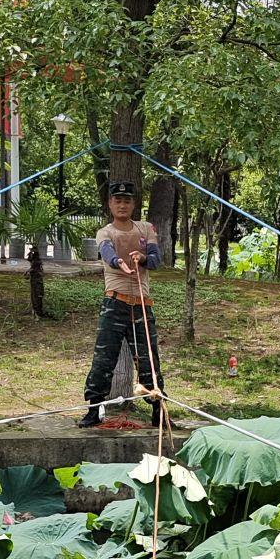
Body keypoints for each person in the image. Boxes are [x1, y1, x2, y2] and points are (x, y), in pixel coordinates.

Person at [79, 180, 166, 428]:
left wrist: (142, 258)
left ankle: (159, 409)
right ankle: (94, 408)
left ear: (134, 204)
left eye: (127, 200)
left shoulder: (145, 229)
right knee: (104, 359)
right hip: (114, 303)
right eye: (117, 200)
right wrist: (119, 262)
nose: (122, 204)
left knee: (149, 360)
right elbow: (106, 252)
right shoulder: (105, 232)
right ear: (110, 204)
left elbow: (157, 259)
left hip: (141, 305)